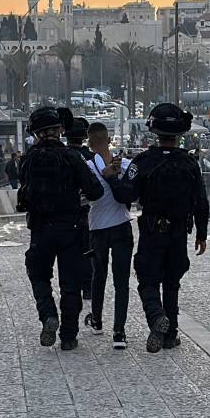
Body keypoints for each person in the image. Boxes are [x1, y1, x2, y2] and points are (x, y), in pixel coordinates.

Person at [106, 103, 209, 353]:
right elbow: (201, 201)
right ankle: (170, 333)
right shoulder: (189, 163)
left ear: (154, 131)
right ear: (179, 134)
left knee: (147, 279)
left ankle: (155, 316)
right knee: (172, 282)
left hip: (152, 231)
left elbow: (125, 195)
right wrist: (202, 234)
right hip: (178, 233)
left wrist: (110, 178)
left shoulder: (142, 162)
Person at [17, 107, 103, 351]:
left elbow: (24, 194)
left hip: (40, 229)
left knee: (38, 275)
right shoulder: (72, 157)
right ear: (59, 131)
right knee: (71, 285)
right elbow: (95, 190)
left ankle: (47, 315)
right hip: (71, 229)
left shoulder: (28, 159)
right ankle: (69, 336)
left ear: (36, 133)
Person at [83, 122, 134, 350]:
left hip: (97, 228)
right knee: (122, 280)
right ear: (109, 138)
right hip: (122, 225)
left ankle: (96, 320)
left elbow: (84, 197)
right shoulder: (124, 164)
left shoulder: (86, 167)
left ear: (90, 142)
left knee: (99, 276)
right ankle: (119, 333)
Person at [64, 117, 95, 301]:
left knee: (68, 251)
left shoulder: (62, 155)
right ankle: (88, 286)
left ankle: (71, 285)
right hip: (88, 211)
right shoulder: (91, 157)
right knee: (87, 250)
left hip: (66, 212)